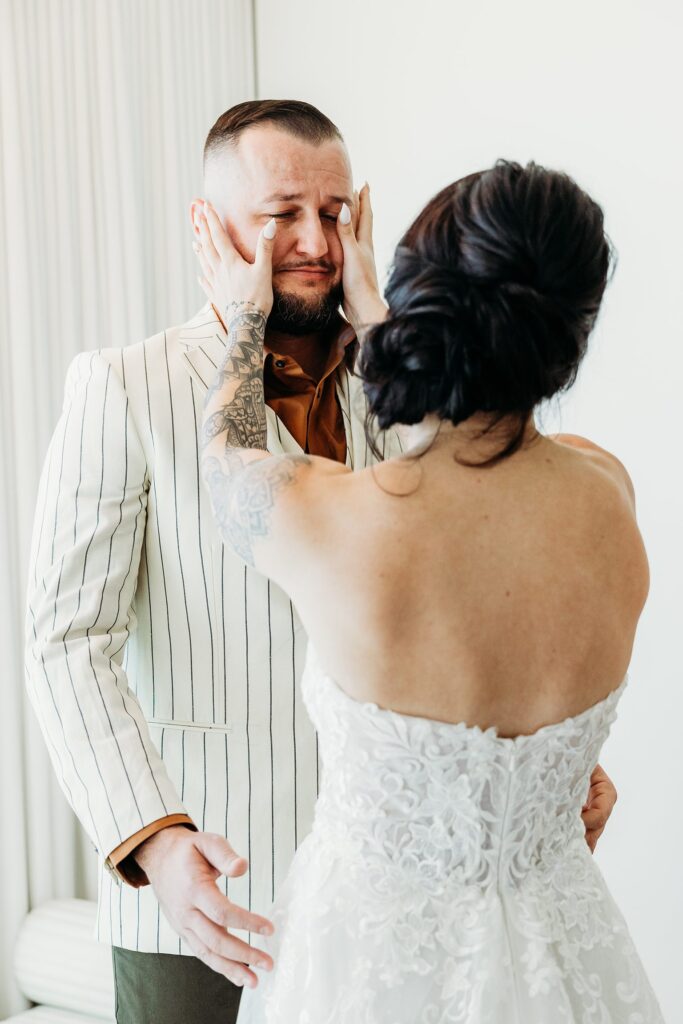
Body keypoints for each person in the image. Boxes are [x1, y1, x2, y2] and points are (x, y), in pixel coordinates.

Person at [23, 99, 616, 1024]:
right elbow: (66, 641)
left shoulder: (419, 395)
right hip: (210, 895)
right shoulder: (122, 387)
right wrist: (157, 843)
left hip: (396, 910)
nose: (315, 240)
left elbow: (485, 571)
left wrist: (543, 764)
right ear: (204, 225)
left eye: (335, 213)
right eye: (281, 213)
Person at [193, 159, 665, 1021]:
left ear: (427, 302)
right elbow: (471, 440)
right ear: (575, 325)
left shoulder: (331, 521)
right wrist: (383, 312)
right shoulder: (611, 493)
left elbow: (225, 461)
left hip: (370, 961)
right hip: (564, 952)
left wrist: (246, 314)